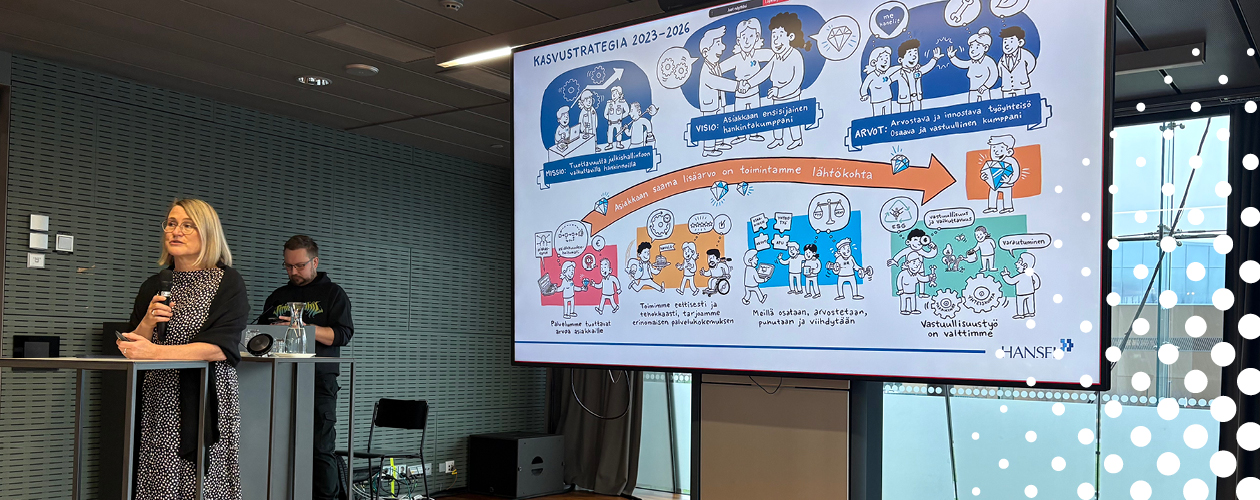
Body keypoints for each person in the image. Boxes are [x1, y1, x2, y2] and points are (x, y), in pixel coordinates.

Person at [118, 198, 249, 499]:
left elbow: (220, 348)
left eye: (188, 225)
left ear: (208, 233)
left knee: (202, 483)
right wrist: (147, 322)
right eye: (172, 223)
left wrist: (155, 353)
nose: (176, 231)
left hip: (206, 396)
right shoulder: (155, 284)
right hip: (160, 397)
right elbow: (133, 344)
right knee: (160, 479)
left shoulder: (228, 282)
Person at [257, 235, 355, 500]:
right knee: (279, 445)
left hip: (319, 380)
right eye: (288, 266)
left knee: (320, 448)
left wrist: (304, 329)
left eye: (299, 266)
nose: (293, 272)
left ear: (315, 262)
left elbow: (343, 335)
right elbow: (260, 335)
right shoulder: (278, 296)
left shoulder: (333, 293)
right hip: (278, 381)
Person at [747, 12, 812, 150]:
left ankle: (797, 139)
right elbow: (764, 73)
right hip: (776, 96)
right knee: (777, 120)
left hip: (791, 96)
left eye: (780, 36)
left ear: (790, 37)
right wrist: (749, 83)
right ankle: (778, 139)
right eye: (773, 36)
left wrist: (780, 91)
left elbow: (797, 81)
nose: (775, 41)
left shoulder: (796, 56)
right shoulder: (775, 58)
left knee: (793, 120)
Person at [722, 17, 769, 144]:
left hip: (754, 91)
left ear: (757, 37)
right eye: (743, 37)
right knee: (739, 115)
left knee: (755, 113)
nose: (747, 41)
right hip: (740, 93)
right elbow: (721, 68)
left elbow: (773, 56)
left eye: (750, 36)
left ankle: (754, 134)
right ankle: (740, 136)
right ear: (738, 40)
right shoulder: (736, 58)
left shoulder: (758, 54)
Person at [698, 27, 739, 157]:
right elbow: (716, 82)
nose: (723, 47)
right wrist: (737, 85)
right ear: (706, 52)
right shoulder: (706, 70)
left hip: (719, 101)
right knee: (711, 125)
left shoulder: (715, 65)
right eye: (718, 44)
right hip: (710, 104)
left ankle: (719, 143)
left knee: (720, 121)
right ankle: (708, 149)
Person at [947, 27, 998, 102]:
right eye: (971, 47)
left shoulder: (988, 61)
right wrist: (952, 57)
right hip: (973, 90)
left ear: (985, 48)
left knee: (986, 104)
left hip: (984, 90)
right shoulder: (971, 62)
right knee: (972, 105)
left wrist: (985, 86)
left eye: (977, 47)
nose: (973, 50)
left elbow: (994, 75)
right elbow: (961, 64)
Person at [891, 39, 943, 112]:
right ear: (900, 60)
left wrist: (935, 58)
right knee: (905, 114)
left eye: (915, 53)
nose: (914, 57)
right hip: (905, 100)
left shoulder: (918, 70)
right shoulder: (899, 73)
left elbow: (927, 67)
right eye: (910, 54)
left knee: (918, 113)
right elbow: (888, 80)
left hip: (917, 98)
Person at [888, 229, 938, 298]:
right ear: (908, 242)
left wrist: (934, 248)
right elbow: (900, 254)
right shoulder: (907, 250)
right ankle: (904, 290)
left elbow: (930, 254)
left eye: (920, 240)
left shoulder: (921, 251)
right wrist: (895, 260)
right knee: (907, 281)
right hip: (909, 270)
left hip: (920, 270)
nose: (918, 242)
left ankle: (921, 293)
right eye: (915, 240)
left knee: (922, 281)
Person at [981, 135, 1020, 213]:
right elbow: (985, 171)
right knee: (992, 194)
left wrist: (1009, 180)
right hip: (994, 184)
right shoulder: (991, 163)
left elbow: (1016, 172)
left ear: (1009, 152)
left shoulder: (1011, 161)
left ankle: (1008, 207)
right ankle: (992, 207)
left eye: (1001, 149)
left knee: (1007, 195)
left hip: (1006, 184)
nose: (996, 152)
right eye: (993, 149)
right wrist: (984, 176)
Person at [997, 26, 1036, 97]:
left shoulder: (1025, 54)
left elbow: (1031, 64)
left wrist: (1022, 73)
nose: (1007, 45)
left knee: (1022, 100)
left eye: (1011, 41)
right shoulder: (1002, 59)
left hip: (1020, 85)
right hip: (1007, 87)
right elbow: (1000, 71)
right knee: (1007, 102)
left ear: (1020, 42)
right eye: (1005, 42)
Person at [1002, 253, 1041, 319]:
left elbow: (1011, 281)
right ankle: (1031, 312)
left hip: (1021, 294)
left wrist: (1005, 275)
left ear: (1025, 266)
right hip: (1030, 292)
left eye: (1019, 262)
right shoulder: (1031, 275)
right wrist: (1034, 288)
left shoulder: (1020, 276)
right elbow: (1037, 282)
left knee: (1020, 303)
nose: (1016, 263)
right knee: (1030, 303)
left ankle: (1020, 314)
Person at [860, 47, 896, 116]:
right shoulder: (871, 76)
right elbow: (864, 86)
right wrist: (864, 94)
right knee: (878, 116)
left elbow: (889, 80)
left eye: (887, 59)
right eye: (882, 59)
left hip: (887, 98)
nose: (885, 62)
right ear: (874, 62)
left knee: (888, 116)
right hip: (877, 101)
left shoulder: (886, 75)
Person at [600, 86, 630, 152]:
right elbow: (605, 113)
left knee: (619, 132)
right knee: (610, 133)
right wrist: (608, 118)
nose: (613, 95)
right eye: (612, 94)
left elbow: (627, 111)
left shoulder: (622, 102)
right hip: (611, 122)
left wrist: (621, 117)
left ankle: (618, 143)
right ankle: (610, 144)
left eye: (615, 94)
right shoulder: (609, 103)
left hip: (618, 122)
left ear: (619, 94)